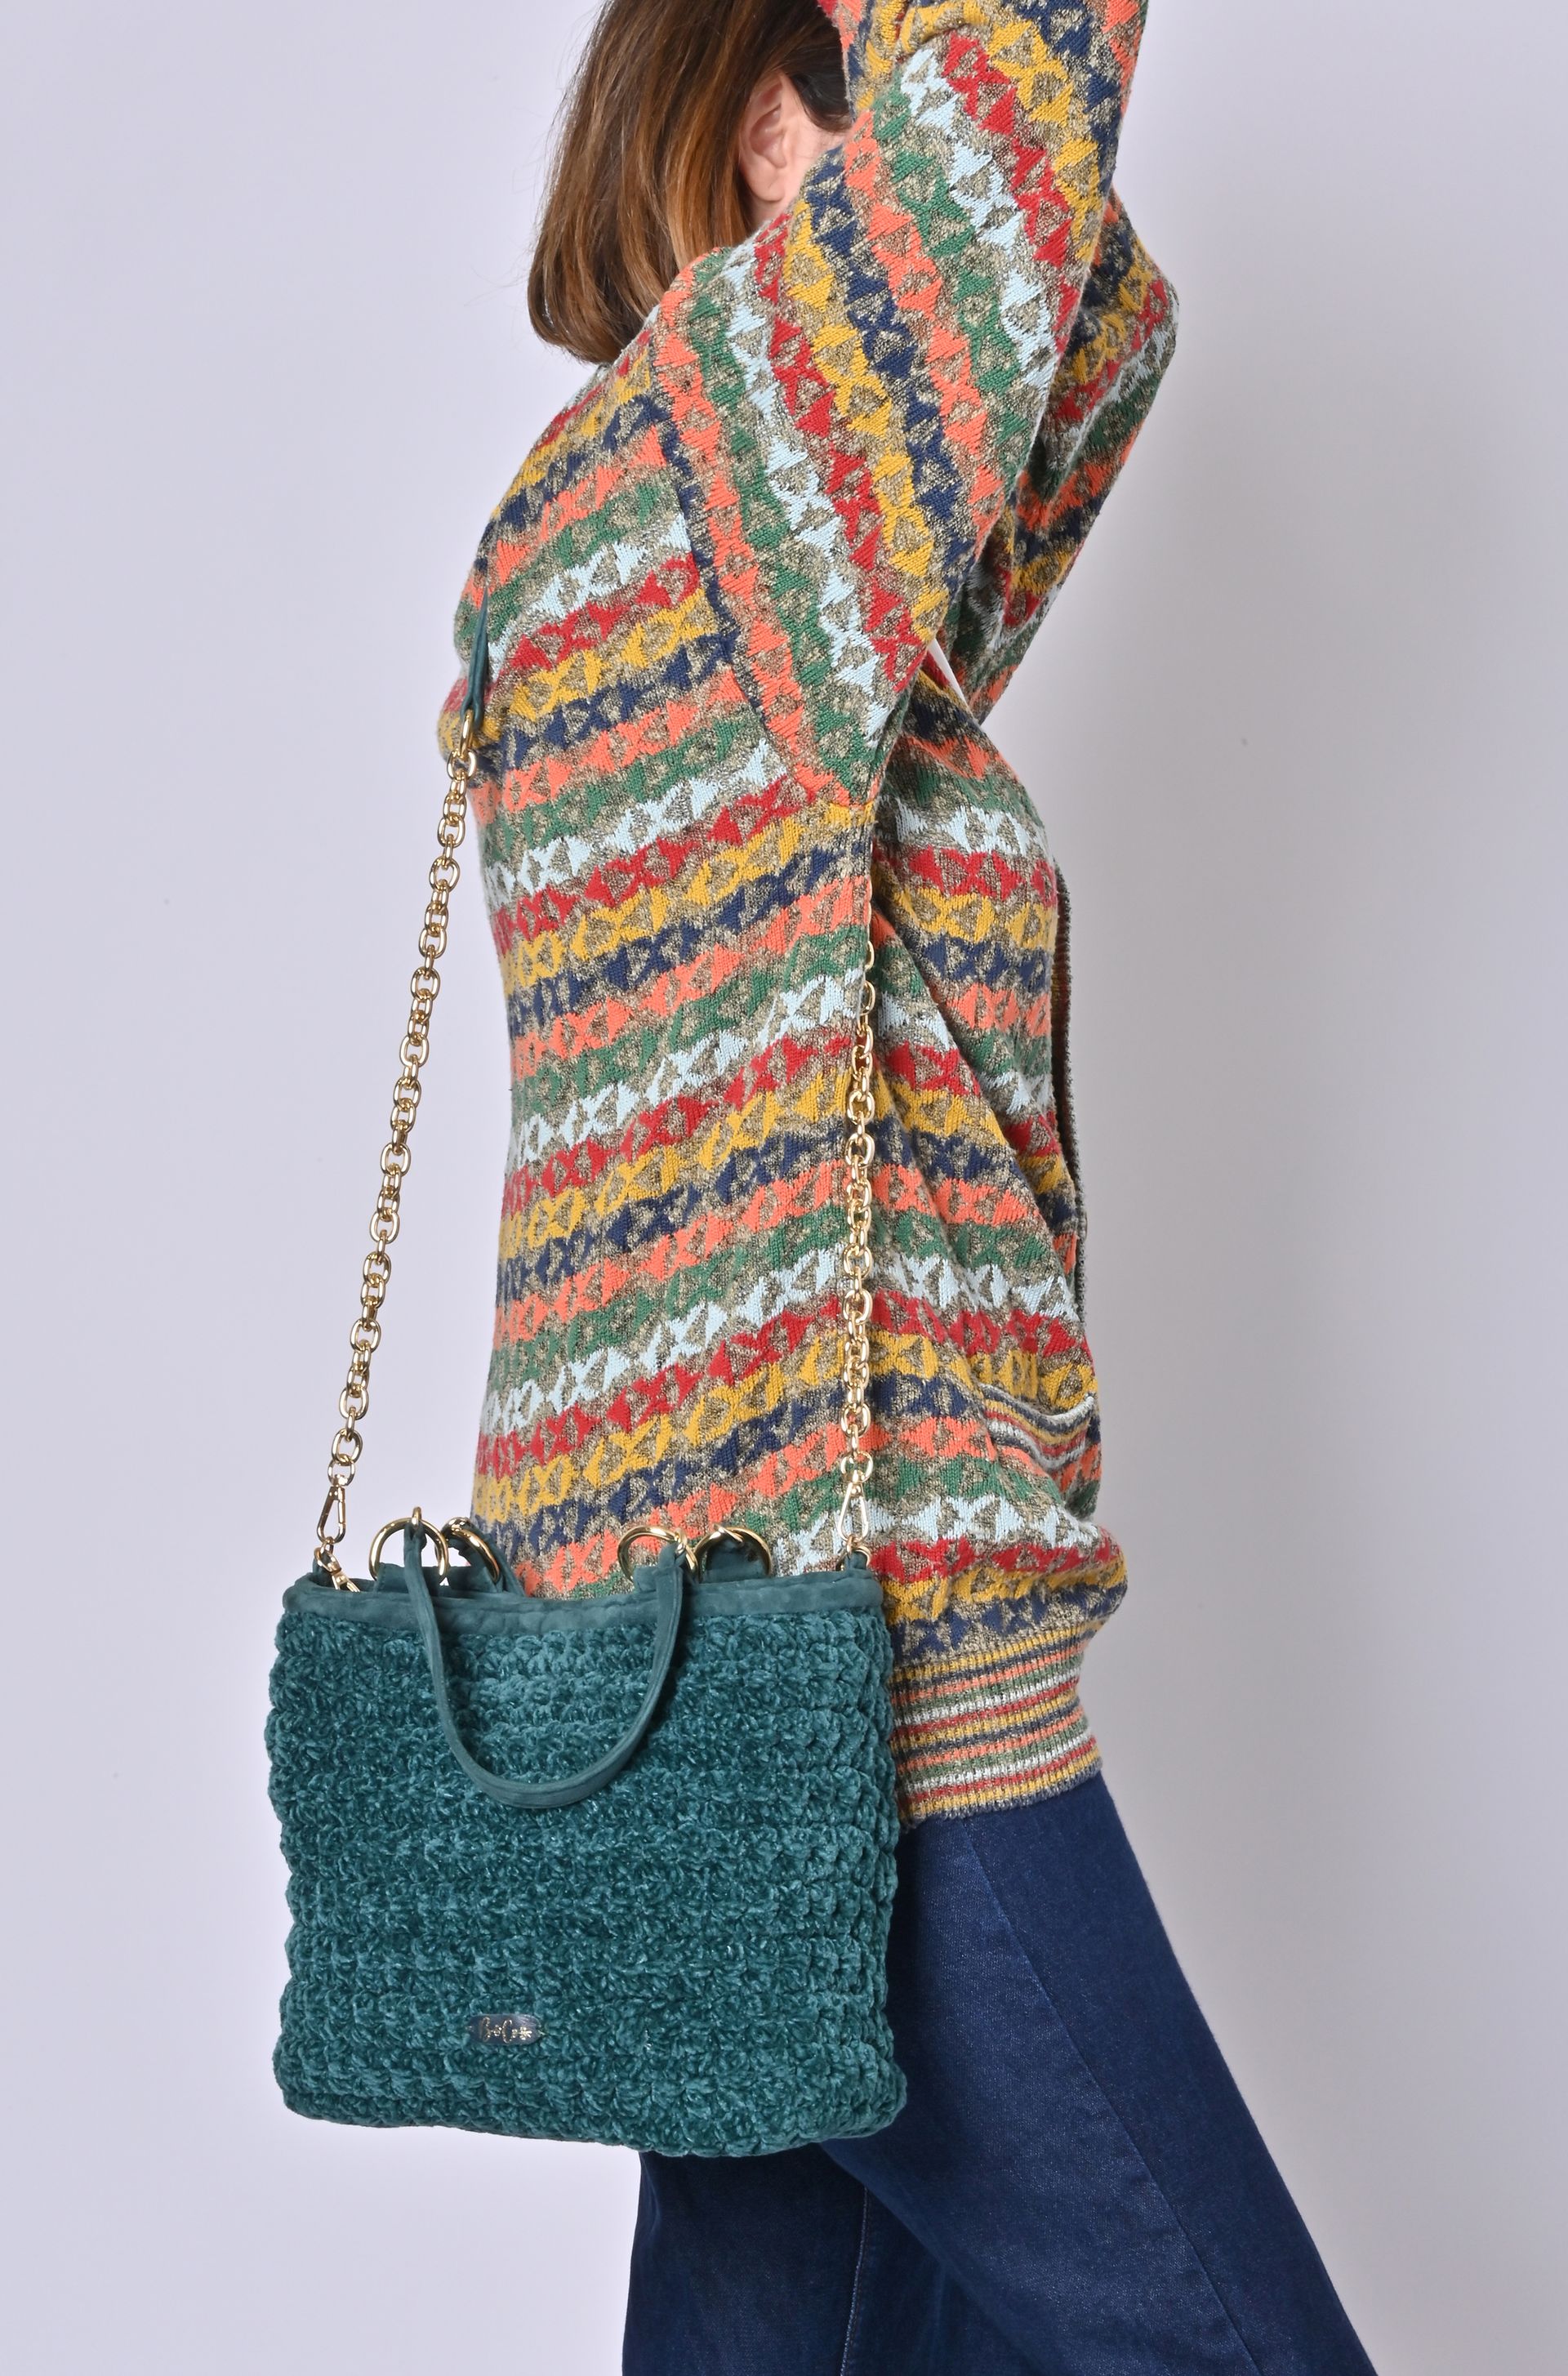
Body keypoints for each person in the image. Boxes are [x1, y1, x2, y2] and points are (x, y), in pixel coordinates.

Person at [439, 2, 1377, 2368]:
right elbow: (1019, 90)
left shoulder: (620, 540)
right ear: (781, 131)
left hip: (668, 1678)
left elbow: (1058, 386)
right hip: (857, 1660)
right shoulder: (740, 460)